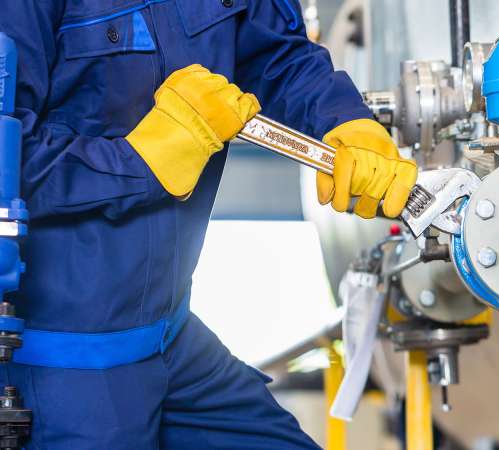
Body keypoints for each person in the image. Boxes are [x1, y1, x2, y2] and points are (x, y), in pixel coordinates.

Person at [0, 1, 417, 448]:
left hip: (174, 338)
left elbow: (277, 53)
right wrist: (139, 163)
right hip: (61, 364)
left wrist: (345, 120)